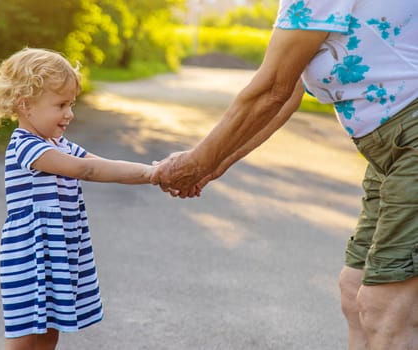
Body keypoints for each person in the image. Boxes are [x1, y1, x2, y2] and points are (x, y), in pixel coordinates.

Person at [151, 1, 418, 349]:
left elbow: (272, 89)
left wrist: (195, 163)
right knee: (355, 293)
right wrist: (214, 166)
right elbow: (287, 92)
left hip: (411, 138)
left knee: (386, 309)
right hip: (389, 151)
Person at [0, 47, 156, 350]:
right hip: (30, 254)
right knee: (23, 337)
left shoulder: (59, 144)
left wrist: (153, 172)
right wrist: (154, 175)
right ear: (26, 105)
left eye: (71, 104)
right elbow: (87, 169)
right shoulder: (26, 146)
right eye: (60, 105)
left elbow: (104, 164)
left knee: (49, 332)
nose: (69, 113)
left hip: (57, 251)